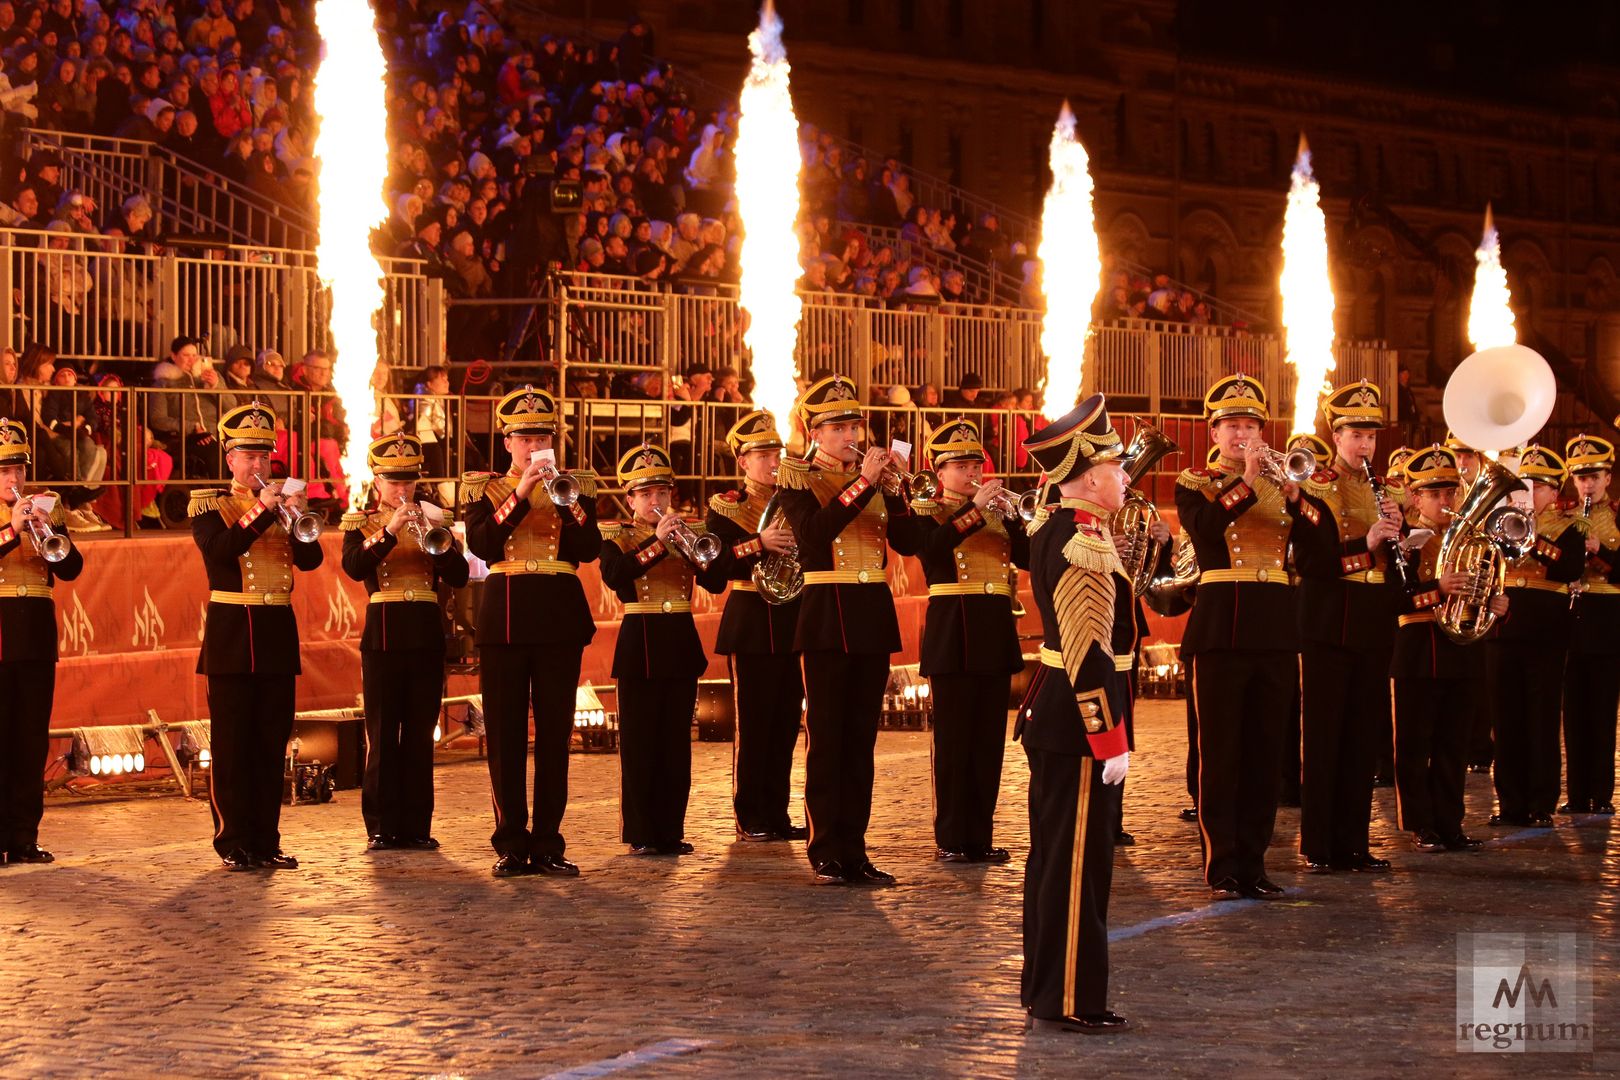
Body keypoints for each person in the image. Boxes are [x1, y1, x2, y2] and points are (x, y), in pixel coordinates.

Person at [1016, 393, 1133, 1033]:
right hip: (1078, 720)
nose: (1124, 477)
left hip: (1057, 714)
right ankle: (1068, 997)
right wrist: (1109, 735)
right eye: (1116, 467)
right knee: (1075, 864)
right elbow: (1088, 650)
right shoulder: (1082, 536)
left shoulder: (1064, 526)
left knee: (1057, 858)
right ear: (1089, 476)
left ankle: (1048, 989)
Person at [1175, 375, 1317, 899]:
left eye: (1251, 426)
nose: (1242, 434)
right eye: (1232, 426)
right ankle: (1221, 865)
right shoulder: (1194, 482)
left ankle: (1255, 862)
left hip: (1276, 631)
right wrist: (1251, 480)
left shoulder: (1285, 484)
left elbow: (1317, 544)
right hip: (1219, 631)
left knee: (1265, 755)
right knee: (1221, 754)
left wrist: (1299, 493)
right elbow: (1208, 529)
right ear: (1214, 431)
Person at [774, 374, 918, 886]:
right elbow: (813, 537)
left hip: (871, 613)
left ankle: (855, 847)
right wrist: (863, 484)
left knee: (860, 740)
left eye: (853, 423)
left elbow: (909, 539)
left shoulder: (874, 479)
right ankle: (826, 849)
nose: (848, 434)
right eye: (836, 426)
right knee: (827, 737)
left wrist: (898, 491)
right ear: (814, 432)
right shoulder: (796, 477)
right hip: (825, 612)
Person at [461, 387, 601, 878]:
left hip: (559, 617)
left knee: (555, 736)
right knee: (504, 737)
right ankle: (511, 842)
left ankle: (548, 842)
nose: (534, 445)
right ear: (507, 443)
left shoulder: (575, 486)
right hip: (506, 619)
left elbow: (588, 547)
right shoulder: (485, 488)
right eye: (524, 437)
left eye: (542, 436)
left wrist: (564, 499)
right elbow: (481, 542)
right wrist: (520, 493)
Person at [190, 401, 323, 871]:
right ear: (230, 459)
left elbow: (310, 564)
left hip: (274, 634)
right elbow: (222, 552)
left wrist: (300, 523)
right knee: (231, 747)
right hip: (230, 635)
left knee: (271, 744)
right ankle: (233, 841)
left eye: (265, 458)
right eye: (249, 457)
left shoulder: (283, 507)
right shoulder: (211, 506)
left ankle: (266, 839)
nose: (259, 466)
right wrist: (264, 511)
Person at [340, 433, 469, 852]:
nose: (402, 490)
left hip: (425, 632)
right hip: (384, 632)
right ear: (377, 481)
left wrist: (435, 536)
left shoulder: (436, 522)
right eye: (394, 482)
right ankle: (380, 823)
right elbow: (354, 565)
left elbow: (459, 576)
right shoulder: (359, 523)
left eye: (409, 482)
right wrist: (391, 530)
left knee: (418, 734)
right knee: (382, 732)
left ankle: (416, 824)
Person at [909, 418, 1029, 862]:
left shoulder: (998, 512)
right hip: (952, 632)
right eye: (959, 465)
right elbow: (933, 550)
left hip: (994, 632)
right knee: (955, 745)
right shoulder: (927, 509)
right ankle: (952, 837)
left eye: (974, 463)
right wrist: (976, 508)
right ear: (940, 473)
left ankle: (979, 835)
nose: (970, 472)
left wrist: (1022, 519)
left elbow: (1031, 557)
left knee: (987, 745)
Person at [1293, 380, 1402, 873]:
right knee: (1324, 736)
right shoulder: (1316, 488)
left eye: (1372, 437)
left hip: (1372, 624)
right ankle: (1319, 843)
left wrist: (1402, 541)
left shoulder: (1384, 491)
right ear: (1336, 435)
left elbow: (1394, 570)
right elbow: (1314, 563)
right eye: (1356, 435)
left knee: (1362, 737)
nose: (1365, 446)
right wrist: (1368, 542)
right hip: (1328, 625)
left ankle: (1355, 842)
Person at [601, 442, 728, 855]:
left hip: (679, 638)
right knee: (639, 744)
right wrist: (656, 543)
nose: (656, 501)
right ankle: (641, 832)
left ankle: (671, 829)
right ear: (630, 499)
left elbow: (716, 583)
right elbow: (617, 577)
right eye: (646, 494)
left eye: (662, 493)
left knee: (676, 743)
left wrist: (698, 555)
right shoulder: (616, 536)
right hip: (640, 639)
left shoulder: (688, 533)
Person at [1388, 445, 1501, 852]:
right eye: (1434, 494)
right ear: (1416, 497)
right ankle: (1420, 823)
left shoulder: (1474, 538)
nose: (1445, 501)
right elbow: (1394, 598)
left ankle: (1451, 821)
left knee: (1455, 743)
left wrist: (1495, 604)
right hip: (1419, 649)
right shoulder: (1404, 540)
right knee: (1416, 744)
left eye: (1451, 493)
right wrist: (1436, 590)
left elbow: (1484, 586)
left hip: (1464, 650)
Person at [704, 411, 806, 842]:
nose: (772, 462)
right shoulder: (727, 506)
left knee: (786, 724)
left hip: (793, 618)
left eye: (776, 453)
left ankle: (777, 813)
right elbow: (715, 567)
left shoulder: (798, 498)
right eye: (762, 455)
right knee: (754, 723)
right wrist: (757, 544)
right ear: (743, 462)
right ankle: (751, 815)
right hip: (751, 619)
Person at [0, 417, 85, 865]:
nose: (13, 480)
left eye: (18, 470)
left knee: (30, 740)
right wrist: (13, 530)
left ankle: (23, 837)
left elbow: (71, 570)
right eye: (3, 472)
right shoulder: (11, 519)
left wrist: (50, 531)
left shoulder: (45, 511)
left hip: (34, 636)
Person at [1487, 446, 1583, 828]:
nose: (1529, 493)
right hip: (1504, 628)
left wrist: (1533, 539)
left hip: (1545, 630)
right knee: (1505, 719)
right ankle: (1510, 801)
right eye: (1525, 485)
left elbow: (1570, 567)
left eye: (1539, 486)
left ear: (1554, 493)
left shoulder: (1570, 527)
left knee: (1542, 719)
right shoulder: (1500, 520)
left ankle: (1541, 800)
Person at [1561, 432, 1620, 815]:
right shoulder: (1564, 517)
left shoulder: (1617, 515)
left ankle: (1600, 793)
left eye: (1595, 476)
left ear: (1608, 478)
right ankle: (1577, 793)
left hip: (1609, 620)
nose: (1588, 484)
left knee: (1602, 711)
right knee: (1573, 711)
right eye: (1582, 477)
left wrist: (1603, 552)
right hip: (1572, 618)